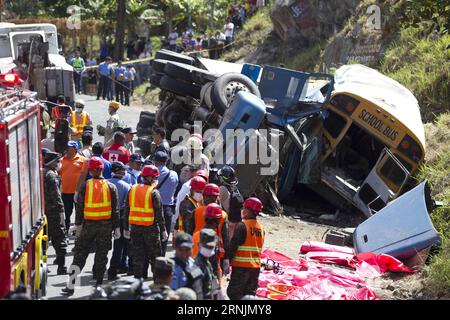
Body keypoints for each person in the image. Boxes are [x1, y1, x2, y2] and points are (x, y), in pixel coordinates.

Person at [62, 157, 120, 295]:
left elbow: (79, 207)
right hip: (105, 227)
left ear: (92, 170)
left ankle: (71, 285)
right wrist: (117, 227)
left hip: (88, 226)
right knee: (101, 255)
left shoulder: (85, 185)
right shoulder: (111, 187)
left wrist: (77, 225)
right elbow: (115, 209)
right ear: (101, 169)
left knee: (80, 255)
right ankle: (98, 286)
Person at [123, 165, 167, 279]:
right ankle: (158, 281)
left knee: (138, 256)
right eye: (155, 177)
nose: (156, 180)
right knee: (155, 257)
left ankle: (138, 281)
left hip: (135, 229)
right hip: (150, 229)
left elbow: (126, 209)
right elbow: (159, 214)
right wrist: (163, 230)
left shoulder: (132, 189)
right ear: (150, 178)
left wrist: (126, 228)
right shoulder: (153, 192)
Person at [226, 197, 265, 300]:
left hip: (241, 267)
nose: (242, 210)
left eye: (244, 208)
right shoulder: (261, 228)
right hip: (255, 268)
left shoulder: (242, 226)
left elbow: (233, 246)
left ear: (248, 211)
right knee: (249, 295)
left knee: (233, 293)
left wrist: (227, 261)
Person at [192, 202, 230, 287]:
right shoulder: (213, 238)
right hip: (207, 276)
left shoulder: (195, 235)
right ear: (218, 221)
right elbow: (213, 262)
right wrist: (215, 280)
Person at [43, 151, 68, 275]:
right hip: (53, 212)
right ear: (52, 163)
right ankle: (61, 267)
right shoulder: (51, 175)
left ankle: (43, 265)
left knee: (44, 240)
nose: (59, 164)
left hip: (42, 212)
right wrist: (61, 210)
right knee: (60, 237)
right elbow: (56, 195)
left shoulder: (41, 172)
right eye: (57, 161)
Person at [107, 161, 132, 280]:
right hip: (121, 216)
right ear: (118, 171)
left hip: (106, 216)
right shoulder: (126, 186)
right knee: (119, 244)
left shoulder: (105, 183)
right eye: (123, 170)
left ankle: (97, 269)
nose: (125, 172)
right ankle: (113, 270)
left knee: (102, 245)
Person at [58, 141, 88, 232]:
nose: (68, 149)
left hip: (78, 192)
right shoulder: (61, 160)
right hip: (66, 192)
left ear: (75, 149)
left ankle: (78, 230)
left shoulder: (83, 160)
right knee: (67, 213)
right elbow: (58, 174)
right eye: (67, 147)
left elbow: (85, 175)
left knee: (79, 212)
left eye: (70, 147)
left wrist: (79, 190)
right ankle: (66, 229)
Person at [154, 151, 178, 255]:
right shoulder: (173, 174)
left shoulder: (152, 174)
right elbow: (175, 188)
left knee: (153, 236)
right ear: (167, 161)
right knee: (164, 236)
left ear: (155, 162)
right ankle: (161, 260)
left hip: (153, 208)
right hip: (168, 208)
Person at [170, 233, 203, 299]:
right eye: (181, 250)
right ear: (175, 248)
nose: (184, 254)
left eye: (187, 250)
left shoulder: (194, 263)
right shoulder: (171, 268)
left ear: (193, 247)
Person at [218, 165, 244, 239]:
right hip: (236, 220)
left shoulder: (222, 189)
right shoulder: (235, 188)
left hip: (227, 221)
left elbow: (216, 204)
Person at [195, 229, 220, 300]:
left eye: (211, 247)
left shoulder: (207, 262)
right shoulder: (197, 265)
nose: (209, 250)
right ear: (199, 245)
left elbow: (212, 281)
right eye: (207, 247)